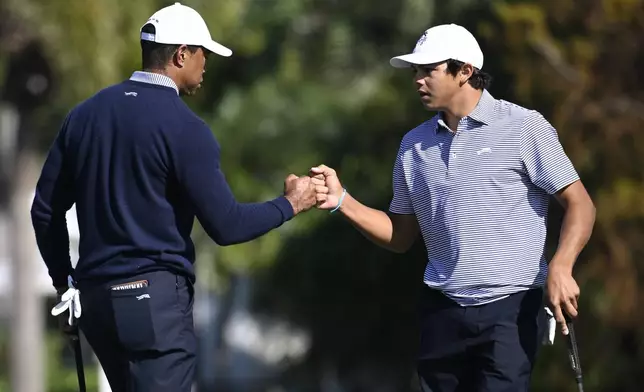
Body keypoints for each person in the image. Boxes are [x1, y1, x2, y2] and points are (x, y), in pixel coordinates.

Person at [31, 3, 322, 391]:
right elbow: (227, 225)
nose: (206, 64)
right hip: (153, 305)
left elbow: (45, 210)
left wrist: (63, 282)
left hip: (96, 303)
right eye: (203, 54)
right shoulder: (186, 128)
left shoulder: (83, 116)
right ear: (181, 54)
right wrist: (291, 204)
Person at [310, 23, 596, 391]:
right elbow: (400, 235)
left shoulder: (524, 127)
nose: (418, 80)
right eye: (416, 71)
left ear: (465, 72)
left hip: (510, 309)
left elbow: (580, 204)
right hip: (442, 311)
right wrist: (342, 202)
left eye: (429, 70)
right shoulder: (413, 146)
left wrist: (562, 264)